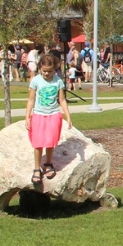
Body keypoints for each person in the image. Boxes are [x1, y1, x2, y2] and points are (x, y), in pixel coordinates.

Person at [25, 53, 73, 186]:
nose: (46, 74)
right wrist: (27, 117)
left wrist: (68, 116)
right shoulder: (36, 80)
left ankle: (48, 164)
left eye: (49, 71)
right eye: (44, 71)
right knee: (38, 143)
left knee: (51, 142)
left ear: (55, 69)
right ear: (40, 68)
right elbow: (30, 100)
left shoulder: (58, 81)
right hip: (39, 115)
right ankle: (36, 168)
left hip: (53, 114)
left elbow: (62, 100)